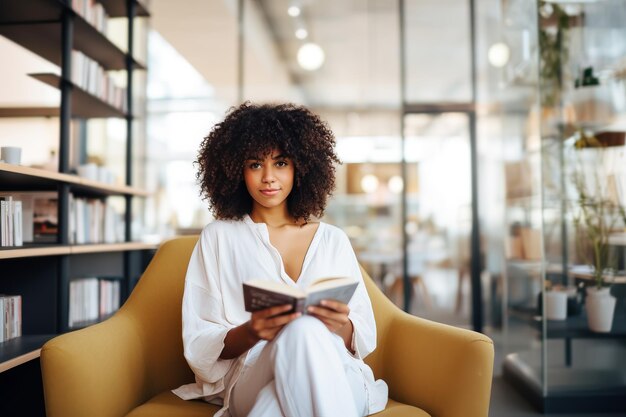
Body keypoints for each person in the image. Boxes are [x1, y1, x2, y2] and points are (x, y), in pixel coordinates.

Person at [173, 102, 388, 417]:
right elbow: (199, 339)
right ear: (235, 169)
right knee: (299, 331)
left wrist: (339, 324)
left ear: (301, 166)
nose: (269, 178)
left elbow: (363, 335)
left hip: (336, 373)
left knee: (275, 402)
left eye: (281, 163)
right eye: (255, 164)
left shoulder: (332, 240)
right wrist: (253, 330)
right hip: (252, 373)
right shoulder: (219, 237)